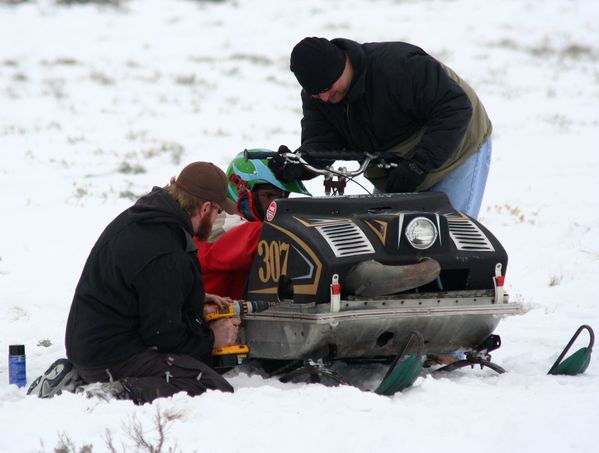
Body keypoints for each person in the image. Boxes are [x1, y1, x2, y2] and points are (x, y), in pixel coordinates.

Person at [57, 162, 241, 404]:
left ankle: (78, 376)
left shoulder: (148, 218)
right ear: (205, 208)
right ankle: (109, 392)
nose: (218, 217)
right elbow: (163, 335)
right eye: (218, 211)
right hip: (110, 356)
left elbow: (143, 286)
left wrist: (192, 295)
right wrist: (211, 339)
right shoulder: (165, 250)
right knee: (209, 383)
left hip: (89, 346)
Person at [277, 37, 492, 219]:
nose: (324, 97)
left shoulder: (398, 67)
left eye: (327, 88)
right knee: (385, 243)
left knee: (447, 238)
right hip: (393, 163)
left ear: (341, 66)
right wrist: (301, 164)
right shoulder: (319, 99)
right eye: (316, 93)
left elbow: (455, 107)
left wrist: (418, 164)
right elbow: (323, 143)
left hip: (456, 145)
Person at [194, 149, 310, 299]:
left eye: (283, 197)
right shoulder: (219, 225)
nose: (276, 204)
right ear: (240, 189)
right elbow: (255, 236)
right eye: (268, 195)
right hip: (205, 318)